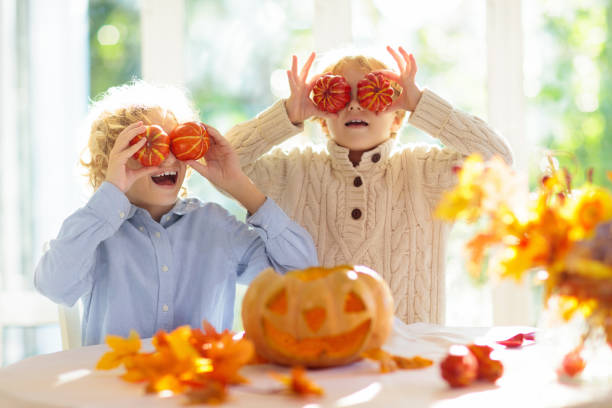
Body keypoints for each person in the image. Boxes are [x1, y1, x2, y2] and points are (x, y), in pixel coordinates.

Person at [226, 46, 513, 324]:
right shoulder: (292, 172)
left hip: (412, 357)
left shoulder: (427, 173)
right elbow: (223, 158)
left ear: (398, 117)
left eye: (372, 94)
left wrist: (421, 103)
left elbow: (498, 157)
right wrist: (288, 113)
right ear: (322, 120)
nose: (354, 104)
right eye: (339, 95)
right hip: (317, 353)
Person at [34, 81, 318, 345]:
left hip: (199, 388)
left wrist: (240, 185)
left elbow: (302, 276)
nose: (168, 157)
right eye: (149, 145)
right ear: (110, 163)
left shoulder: (216, 226)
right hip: (118, 390)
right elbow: (54, 285)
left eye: (177, 144)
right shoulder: (95, 231)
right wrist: (111, 192)